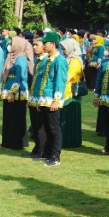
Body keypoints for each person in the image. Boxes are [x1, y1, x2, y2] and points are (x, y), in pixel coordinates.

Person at [28, 31, 68, 167]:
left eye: (45, 43)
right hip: (44, 100)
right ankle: (47, 153)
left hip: (52, 100)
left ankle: (55, 156)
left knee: (54, 129)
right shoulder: (48, 60)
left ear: (53, 44)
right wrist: (40, 101)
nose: (43, 46)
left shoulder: (60, 60)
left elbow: (60, 82)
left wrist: (56, 100)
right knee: (46, 128)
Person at [0, 36, 33, 151]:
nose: (9, 46)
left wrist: (12, 92)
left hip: (17, 93)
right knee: (9, 117)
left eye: (12, 44)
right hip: (9, 89)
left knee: (15, 118)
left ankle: (15, 143)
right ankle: (9, 142)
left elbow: (19, 77)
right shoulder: (12, 57)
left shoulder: (21, 58)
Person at [59, 37, 85, 153]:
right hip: (66, 93)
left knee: (68, 119)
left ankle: (70, 141)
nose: (63, 51)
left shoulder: (75, 61)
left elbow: (67, 77)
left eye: (64, 49)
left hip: (71, 95)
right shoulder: (69, 59)